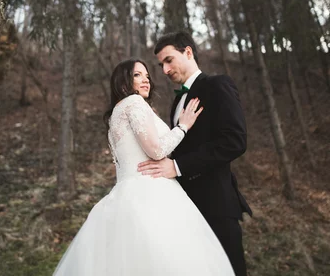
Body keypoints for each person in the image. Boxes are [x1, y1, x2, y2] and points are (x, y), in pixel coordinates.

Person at [53, 59, 234, 276]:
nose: (146, 79)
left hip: (124, 194)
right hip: (151, 192)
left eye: (147, 75)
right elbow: (156, 151)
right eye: (138, 75)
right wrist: (183, 127)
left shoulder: (115, 114)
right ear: (123, 82)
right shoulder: (134, 103)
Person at [137, 31, 252, 276]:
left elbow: (234, 141)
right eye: (161, 65)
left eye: (169, 60)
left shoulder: (217, 85)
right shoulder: (176, 103)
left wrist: (177, 166)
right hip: (186, 210)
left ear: (188, 52)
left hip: (216, 205)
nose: (165, 70)